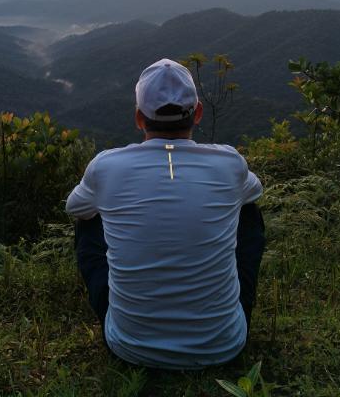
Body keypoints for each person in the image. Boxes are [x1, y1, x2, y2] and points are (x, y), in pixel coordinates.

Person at [66, 58, 265, 369]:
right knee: (248, 211)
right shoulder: (229, 162)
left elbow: (74, 208)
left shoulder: (106, 166)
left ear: (138, 118)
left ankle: (133, 311)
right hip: (223, 344)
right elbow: (254, 193)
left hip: (128, 346)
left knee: (88, 217)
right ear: (198, 113)